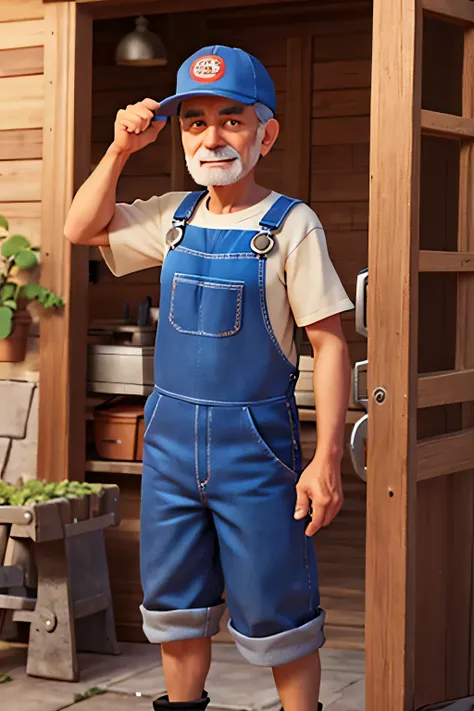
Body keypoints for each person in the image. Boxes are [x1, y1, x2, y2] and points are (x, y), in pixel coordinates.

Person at [65, 45, 353, 711]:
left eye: (232, 119)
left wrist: (327, 457)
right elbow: (82, 227)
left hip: (256, 451)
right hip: (167, 448)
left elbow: (330, 344)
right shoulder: (173, 217)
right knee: (175, 605)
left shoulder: (291, 226)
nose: (212, 136)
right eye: (195, 122)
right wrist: (119, 150)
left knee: (279, 609)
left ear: (266, 133)